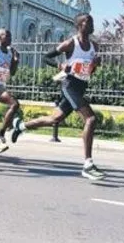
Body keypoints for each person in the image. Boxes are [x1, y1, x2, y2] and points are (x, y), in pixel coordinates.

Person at [10, 13, 105, 180]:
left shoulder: (94, 46)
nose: (92, 25)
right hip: (69, 85)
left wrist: (94, 65)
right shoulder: (70, 43)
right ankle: (88, 164)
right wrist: (60, 65)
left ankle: (21, 126)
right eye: (88, 22)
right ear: (80, 25)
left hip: (81, 86)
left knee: (55, 119)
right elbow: (47, 57)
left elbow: (90, 71)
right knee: (91, 119)